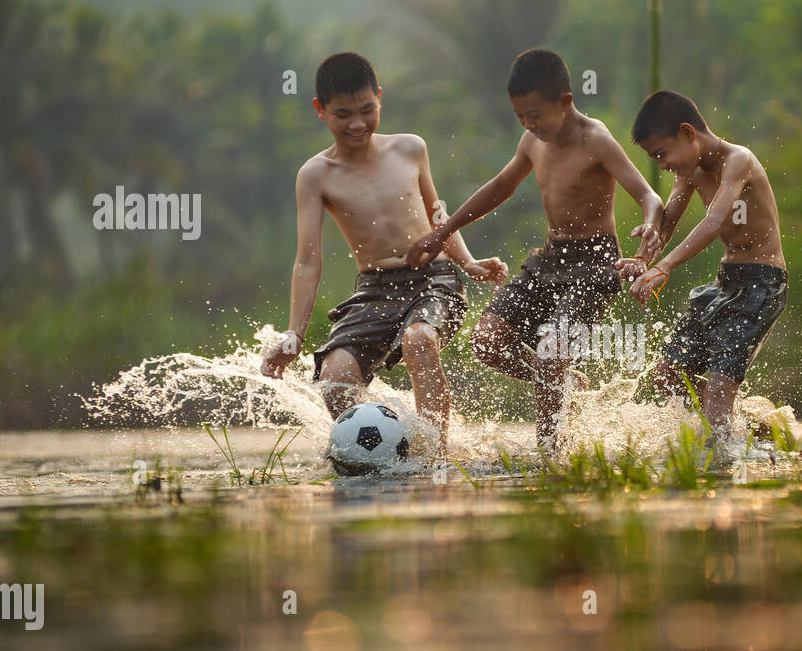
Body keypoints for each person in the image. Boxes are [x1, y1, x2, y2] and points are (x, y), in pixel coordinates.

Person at [407, 48, 664, 450]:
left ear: (565, 101)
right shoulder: (532, 141)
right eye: (520, 116)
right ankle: (563, 380)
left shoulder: (593, 138)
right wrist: (444, 231)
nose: (529, 124)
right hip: (550, 258)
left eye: (536, 115)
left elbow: (647, 194)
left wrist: (649, 225)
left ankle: (550, 452)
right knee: (488, 341)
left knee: (550, 352)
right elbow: (501, 187)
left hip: (595, 262)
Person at [260, 52, 507, 453]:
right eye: (342, 114)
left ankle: (434, 457)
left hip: (433, 278)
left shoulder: (410, 149)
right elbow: (308, 259)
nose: (357, 124)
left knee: (419, 341)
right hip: (375, 289)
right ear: (320, 110)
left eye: (366, 110)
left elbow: (436, 215)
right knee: (336, 378)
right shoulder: (315, 174)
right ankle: (378, 455)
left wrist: (469, 263)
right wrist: (295, 334)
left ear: (380, 98)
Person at [617, 90, 788, 441]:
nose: (662, 165)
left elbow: (713, 221)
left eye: (661, 154)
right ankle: (750, 427)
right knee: (666, 374)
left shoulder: (738, 160)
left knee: (718, 388)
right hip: (725, 282)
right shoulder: (691, 170)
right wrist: (643, 256)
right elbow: (667, 223)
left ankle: (722, 453)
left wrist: (664, 266)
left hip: (761, 284)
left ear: (688, 133)